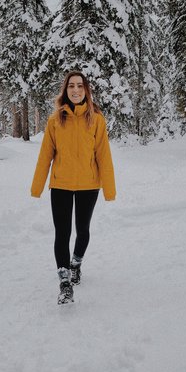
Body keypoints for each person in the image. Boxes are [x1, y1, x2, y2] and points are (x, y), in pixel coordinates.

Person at [31, 70, 116, 304]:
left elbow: (104, 156)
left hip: (89, 185)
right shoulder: (55, 120)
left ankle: (76, 263)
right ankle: (65, 282)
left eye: (80, 86)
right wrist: (37, 186)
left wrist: (109, 189)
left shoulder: (96, 119)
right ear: (65, 91)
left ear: (86, 90)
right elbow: (45, 156)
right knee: (62, 232)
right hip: (61, 185)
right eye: (71, 86)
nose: (76, 90)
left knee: (82, 230)